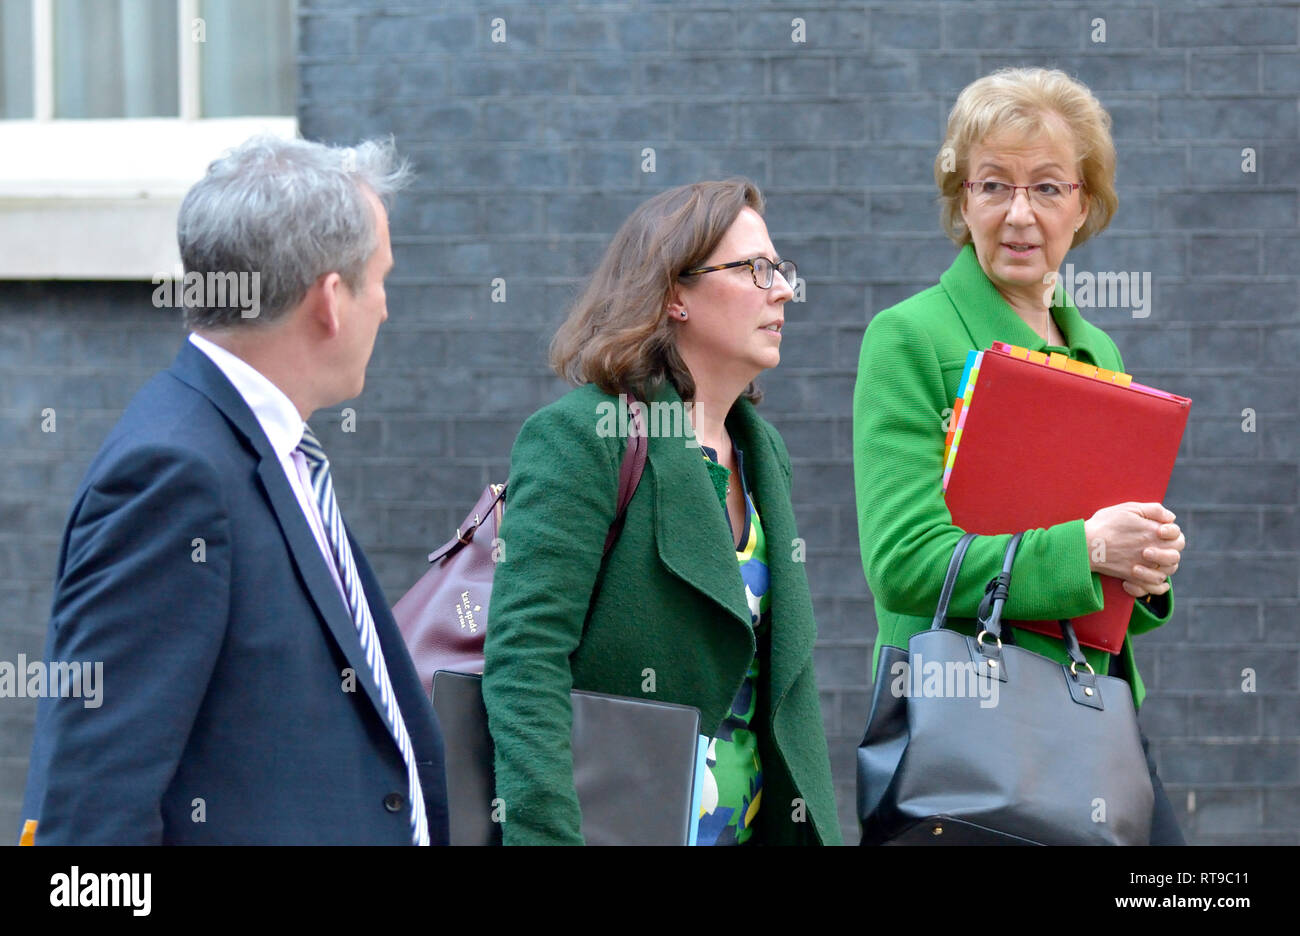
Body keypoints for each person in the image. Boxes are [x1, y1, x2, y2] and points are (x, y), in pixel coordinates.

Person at [19, 135, 448, 845]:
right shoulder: (173, 475)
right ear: (331, 301)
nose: (387, 309)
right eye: (381, 280)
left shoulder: (269, 448)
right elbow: (88, 816)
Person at [852, 68, 1187, 844]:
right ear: (961, 200)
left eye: (1047, 188)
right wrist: (1088, 546)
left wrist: (1145, 562)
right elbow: (903, 561)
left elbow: (1099, 560)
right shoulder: (912, 336)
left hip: (1088, 715)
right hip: (966, 726)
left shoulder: (1093, 346)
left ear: (1085, 204)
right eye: (993, 185)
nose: (1018, 214)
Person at [481, 179, 841, 845]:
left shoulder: (763, 455)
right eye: (755, 270)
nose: (784, 289)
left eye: (781, 269)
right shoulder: (587, 435)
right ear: (675, 293)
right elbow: (526, 662)